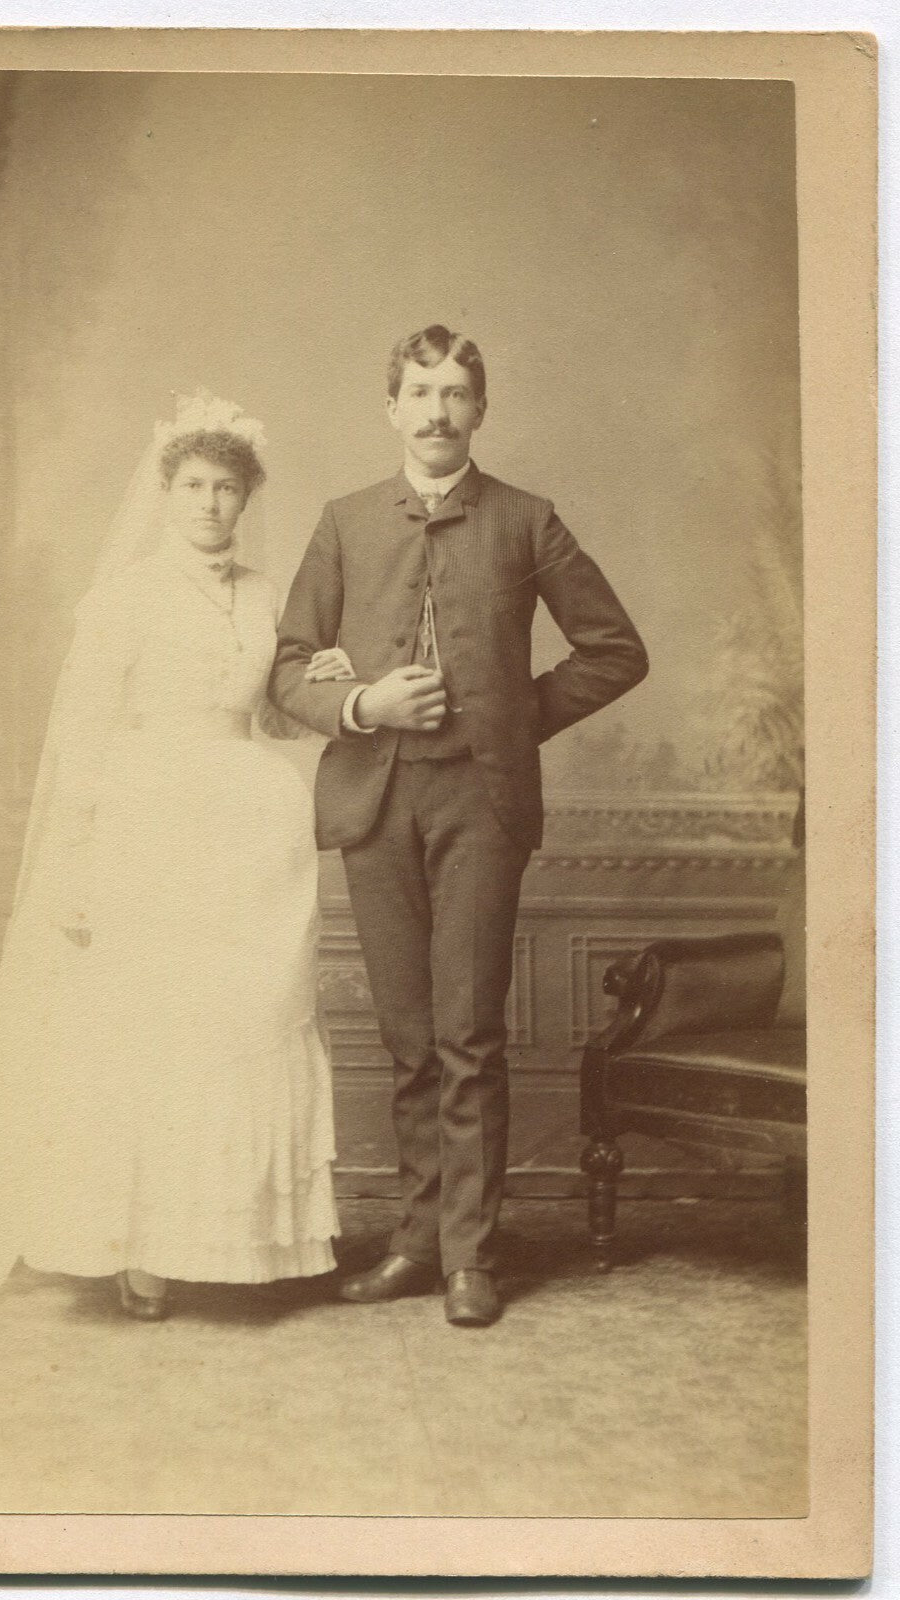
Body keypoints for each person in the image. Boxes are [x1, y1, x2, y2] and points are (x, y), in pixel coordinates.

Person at [0, 391, 355, 1319]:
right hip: (152, 823)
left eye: (226, 488)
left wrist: (321, 679)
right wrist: (78, 866)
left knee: (245, 1021)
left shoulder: (265, 596)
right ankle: (142, 1249)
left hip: (252, 828)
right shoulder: (124, 598)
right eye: (193, 485)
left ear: (247, 498)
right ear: (166, 493)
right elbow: (82, 736)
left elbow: (273, 716)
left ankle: (235, 1239)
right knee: (159, 1027)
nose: (210, 503)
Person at [269, 326, 649, 1327]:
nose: (436, 412)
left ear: (480, 409)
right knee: (409, 1038)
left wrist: (511, 715)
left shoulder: (526, 520)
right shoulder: (344, 522)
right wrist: (363, 705)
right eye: (420, 392)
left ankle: (471, 1257)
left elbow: (615, 650)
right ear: (390, 408)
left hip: (481, 802)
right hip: (376, 801)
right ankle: (417, 1240)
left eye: (454, 394)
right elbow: (287, 667)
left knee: (468, 1034)